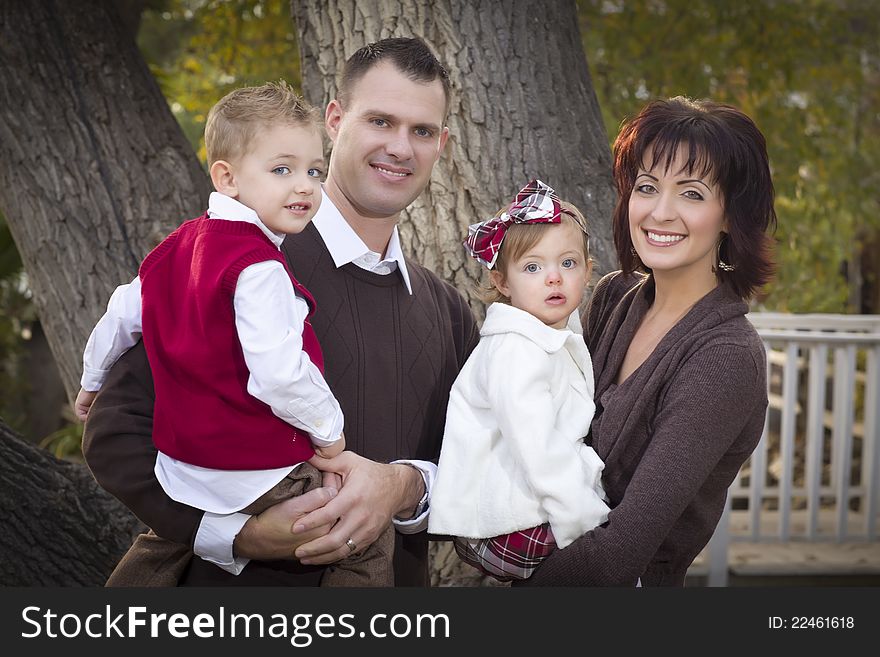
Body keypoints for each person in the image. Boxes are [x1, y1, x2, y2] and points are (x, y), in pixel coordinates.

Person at [82, 37, 479, 587]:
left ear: (442, 146)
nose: (400, 147)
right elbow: (114, 431)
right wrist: (236, 535)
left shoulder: (449, 313)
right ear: (335, 120)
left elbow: (482, 473)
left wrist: (402, 488)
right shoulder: (239, 266)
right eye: (380, 120)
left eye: (422, 131)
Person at [511, 96, 776, 586]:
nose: (660, 212)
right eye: (647, 187)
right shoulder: (613, 298)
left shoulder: (726, 357)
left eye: (692, 194)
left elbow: (623, 551)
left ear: (730, 215)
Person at [428, 179, 610, 581]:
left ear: (586, 270)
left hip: (524, 510)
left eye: (568, 263)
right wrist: (583, 514)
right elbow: (536, 444)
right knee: (609, 553)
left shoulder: (553, 333)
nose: (554, 277)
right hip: (506, 525)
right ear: (502, 282)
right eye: (533, 266)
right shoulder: (515, 348)